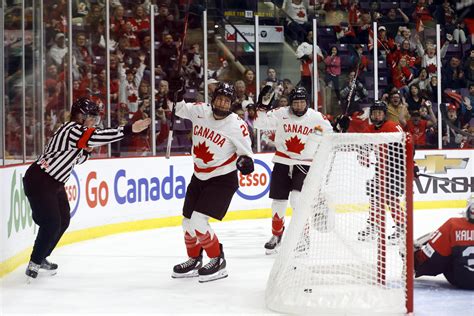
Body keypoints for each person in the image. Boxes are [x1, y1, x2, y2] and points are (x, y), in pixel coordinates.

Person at [23, 98, 151, 281]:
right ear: (81, 116)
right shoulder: (72, 129)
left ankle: (42, 256)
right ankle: (34, 263)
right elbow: (97, 136)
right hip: (40, 179)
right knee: (51, 223)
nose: (94, 122)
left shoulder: (77, 134)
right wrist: (129, 129)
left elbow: (78, 159)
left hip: (54, 182)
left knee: (63, 220)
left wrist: (87, 151)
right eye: (92, 118)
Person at [169, 82, 254, 283]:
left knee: (199, 221)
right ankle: (194, 259)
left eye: (227, 101)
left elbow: (247, 155)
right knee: (187, 223)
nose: (223, 104)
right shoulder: (200, 111)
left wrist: (246, 163)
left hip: (223, 179)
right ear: (213, 99)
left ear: (231, 103)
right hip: (199, 176)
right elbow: (179, 108)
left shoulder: (237, 125)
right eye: (220, 99)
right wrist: (177, 92)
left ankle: (217, 260)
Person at [253, 87, 333, 254]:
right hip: (282, 160)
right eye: (295, 103)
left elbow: (330, 133)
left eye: (301, 102)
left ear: (307, 103)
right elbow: (259, 124)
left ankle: (302, 237)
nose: (298, 106)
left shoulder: (315, 117)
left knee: (297, 200)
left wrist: (340, 127)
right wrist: (261, 108)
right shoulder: (281, 112)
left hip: (304, 164)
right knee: (278, 203)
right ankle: (277, 235)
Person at [357, 101, 406, 244]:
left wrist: (411, 164)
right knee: (374, 196)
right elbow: (363, 144)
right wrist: (363, 155)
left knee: (391, 198)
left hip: (397, 168)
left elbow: (406, 146)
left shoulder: (392, 127)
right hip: (381, 168)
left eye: (380, 113)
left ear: (385, 114)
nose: (377, 115)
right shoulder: (371, 128)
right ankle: (374, 226)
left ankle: (401, 228)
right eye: (374, 113)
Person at [414, 195, 474, 290]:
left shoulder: (453, 225)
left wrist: (414, 258)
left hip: (461, 281)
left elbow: (434, 262)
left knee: (444, 251)